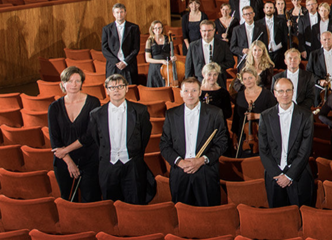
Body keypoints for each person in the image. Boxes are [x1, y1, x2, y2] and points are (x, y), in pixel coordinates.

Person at [160, 77, 229, 206]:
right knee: (182, 214)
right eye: (186, 91)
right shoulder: (171, 114)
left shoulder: (215, 113)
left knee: (208, 213)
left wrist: (202, 160)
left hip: (205, 172)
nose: (190, 95)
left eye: (194, 90)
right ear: (181, 93)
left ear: (200, 92)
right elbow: (164, 144)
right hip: (180, 172)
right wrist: (180, 162)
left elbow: (222, 142)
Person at [87, 73, 155, 204]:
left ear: (126, 88)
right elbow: (97, 140)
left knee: (135, 204)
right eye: (112, 87)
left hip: (133, 165)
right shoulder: (96, 114)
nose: (116, 90)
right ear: (107, 91)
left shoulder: (140, 111)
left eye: (120, 86)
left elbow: (144, 136)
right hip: (108, 166)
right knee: (111, 205)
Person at [47, 67, 103, 202]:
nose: (74, 84)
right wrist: (69, 161)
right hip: (64, 161)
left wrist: (65, 150)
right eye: (70, 81)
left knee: (90, 199)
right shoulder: (54, 107)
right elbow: (54, 139)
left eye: (77, 81)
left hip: (89, 159)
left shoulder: (93, 102)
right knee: (68, 200)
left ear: (82, 83)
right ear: (63, 83)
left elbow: (90, 135)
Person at [258, 78, 315, 208]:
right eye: (281, 91)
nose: (285, 94)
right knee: (277, 217)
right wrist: (277, 175)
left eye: (288, 90)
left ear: (293, 92)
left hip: (298, 175)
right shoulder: (265, 116)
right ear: (275, 93)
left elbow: (305, 150)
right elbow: (263, 149)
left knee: (301, 216)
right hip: (274, 177)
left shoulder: (306, 116)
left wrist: (289, 176)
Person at [229, 67, 276, 158]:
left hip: (263, 136)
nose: (248, 81)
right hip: (244, 138)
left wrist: (257, 116)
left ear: (256, 77)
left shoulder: (267, 95)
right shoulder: (240, 95)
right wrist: (234, 137)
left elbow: (274, 115)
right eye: (245, 79)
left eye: (250, 78)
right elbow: (236, 118)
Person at [101, 3, 141, 84]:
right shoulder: (106, 29)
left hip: (129, 64)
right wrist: (116, 62)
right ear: (113, 14)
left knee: (130, 88)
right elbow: (104, 48)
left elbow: (136, 48)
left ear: (125, 13)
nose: (119, 14)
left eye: (121, 12)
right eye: (117, 12)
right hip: (113, 65)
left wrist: (125, 62)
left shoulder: (134, 28)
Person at [144, 20, 175, 87]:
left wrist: (173, 57)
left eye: (159, 28)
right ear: (152, 30)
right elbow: (147, 59)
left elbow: (171, 54)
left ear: (162, 28)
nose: (158, 30)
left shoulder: (168, 39)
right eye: (155, 28)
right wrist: (161, 61)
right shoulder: (149, 41)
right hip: (154, 68)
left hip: (167, 67)